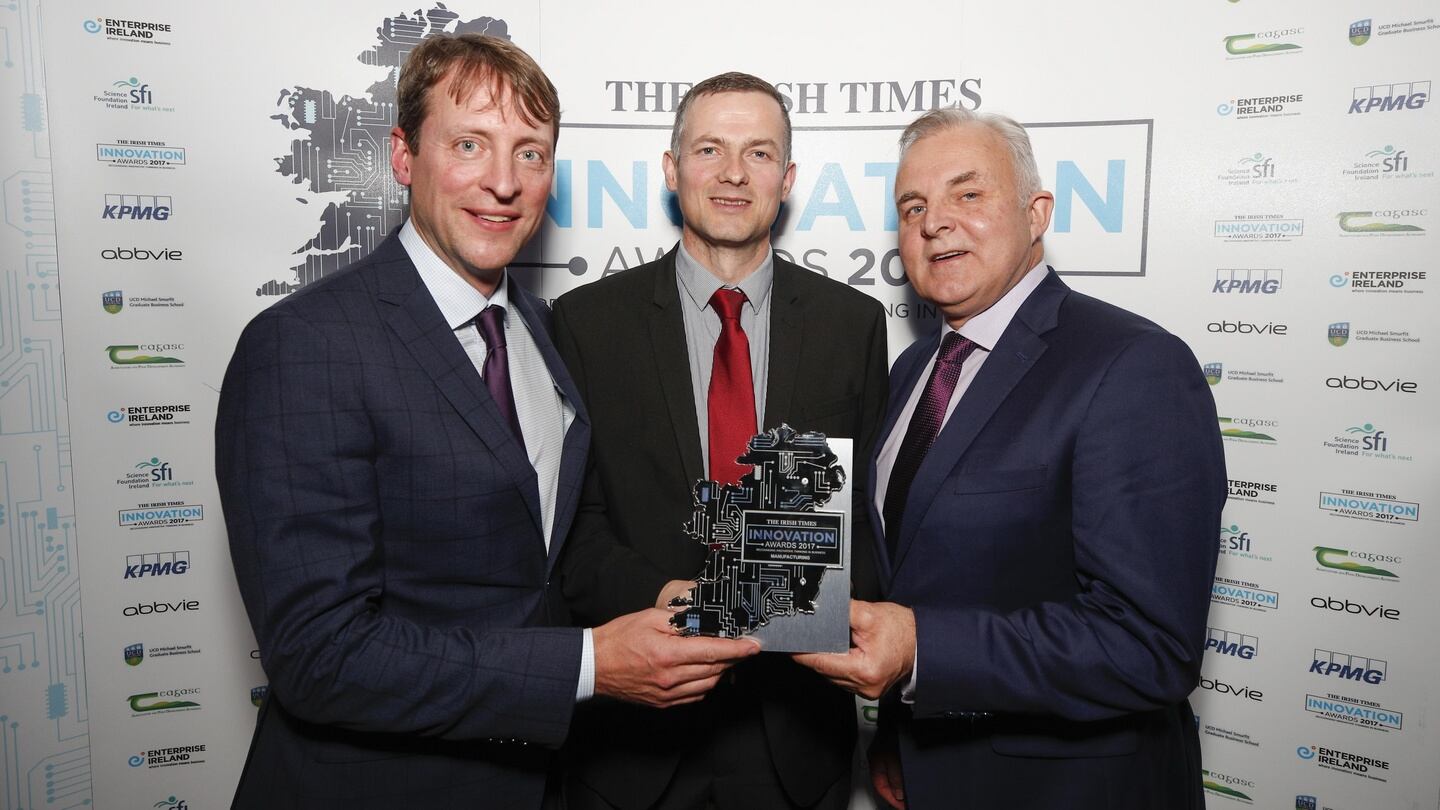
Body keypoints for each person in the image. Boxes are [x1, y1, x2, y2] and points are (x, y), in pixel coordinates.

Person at [216, 35, 757, 810]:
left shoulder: (543, 330)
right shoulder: (305, 345)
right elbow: (318, 656)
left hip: (537, 780)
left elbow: (537, 562)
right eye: (469, 144)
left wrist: (665, 595)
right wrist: (589, 666)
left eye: (530, 153)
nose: (503, 182)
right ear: (403, 155)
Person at [795, 107, 1226, 810]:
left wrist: (921, 651)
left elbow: (1151, 644)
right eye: (913, 206)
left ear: (1036, 213)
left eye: (968, 193)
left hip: (1073, 790)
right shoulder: (911, 372)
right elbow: (918, 573)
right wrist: (901, 731)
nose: (935, 222)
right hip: (932, 771)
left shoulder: (1134, 365)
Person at [552, 72, 888, 810]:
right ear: (672, 170)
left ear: (787, 180)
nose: (734, 172)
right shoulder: (585, 323)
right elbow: (573, 529)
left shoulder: (852, 324)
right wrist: (675, 600)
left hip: (797, 738)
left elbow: (868, 517)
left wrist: (813, 608)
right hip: (634, 744)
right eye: (710, 149)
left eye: (759, 153)